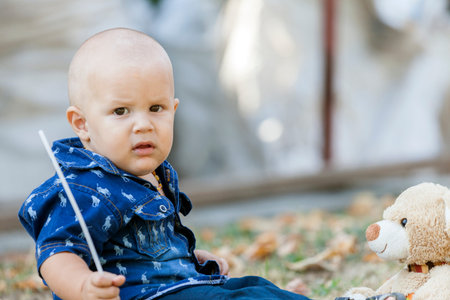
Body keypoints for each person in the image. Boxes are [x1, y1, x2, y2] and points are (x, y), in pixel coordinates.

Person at [19, 28, 311, 300]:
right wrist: (83, 287)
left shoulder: (151, 174)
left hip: (173, 286)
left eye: (155, 108)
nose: (143, 125)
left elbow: (144, 250)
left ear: (174, 110)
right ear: (82, 124)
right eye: (121, 111)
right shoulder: (82, 189)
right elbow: (56, 254)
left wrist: (183, 259)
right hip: (144, 295)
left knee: (254, 286)